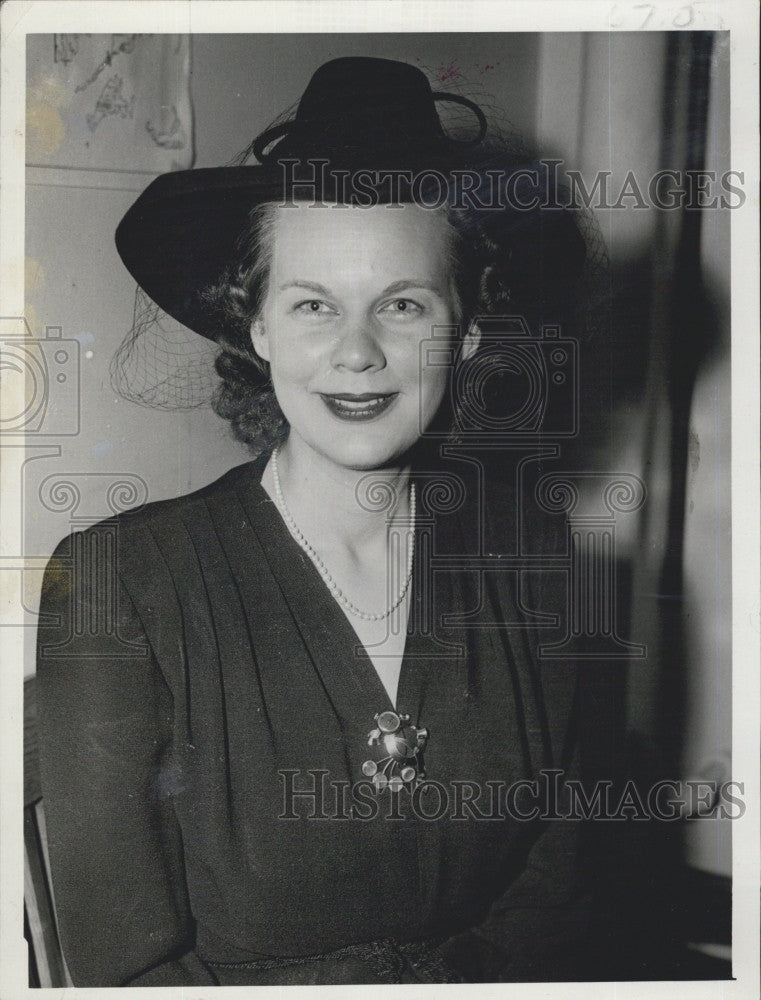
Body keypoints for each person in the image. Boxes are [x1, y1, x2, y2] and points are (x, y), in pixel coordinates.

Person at [36, 56, 592, 986]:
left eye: (404, 305)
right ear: (254, 329)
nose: (357, 354)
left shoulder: (532, 555)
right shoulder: (119, 581)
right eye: (311, 306)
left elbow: (558, 875)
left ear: (471, 331)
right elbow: (124, 971)